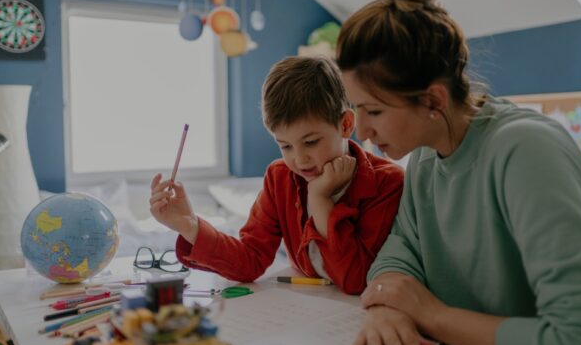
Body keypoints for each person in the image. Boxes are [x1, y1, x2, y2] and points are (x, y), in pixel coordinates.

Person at [337, 0, 581, 345]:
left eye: (374, 111)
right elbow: (400, 249)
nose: (362, 130)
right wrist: (388, 306)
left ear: (433, 101)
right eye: (356, 109)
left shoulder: (525, 151)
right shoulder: (424, 155)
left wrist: (431, 315)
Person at [149, 56, 404, 295]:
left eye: (311, 142)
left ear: (346, 124)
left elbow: (356, 280)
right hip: (304, 310)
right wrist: (189, 225)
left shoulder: (387, 182)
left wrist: (320, 200)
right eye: (285, 146)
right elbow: (250, 260)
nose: (300, 159)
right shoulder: (280, 177)